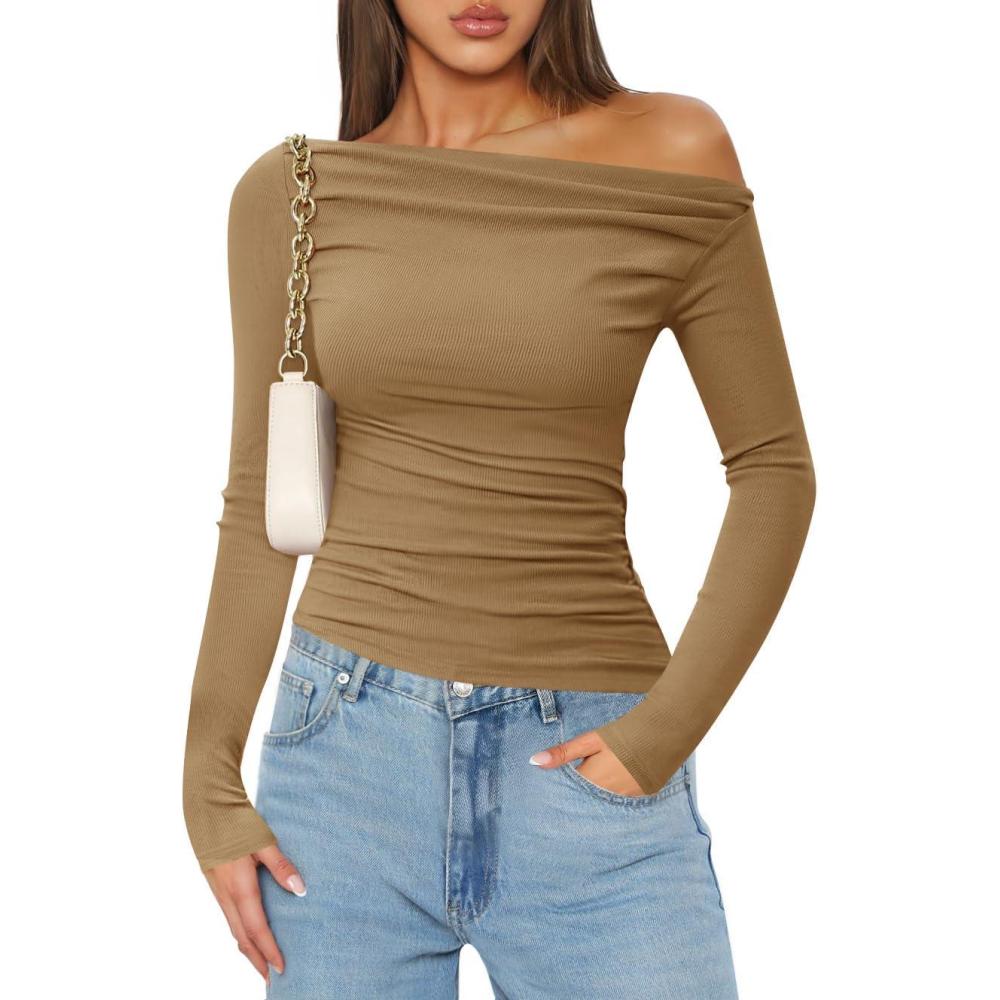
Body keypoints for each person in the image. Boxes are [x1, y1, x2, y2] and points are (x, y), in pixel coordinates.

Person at [182, 1, 817, 996]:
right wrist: (207, 783)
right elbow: (264, 490)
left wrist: (658, 738)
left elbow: (773, 467)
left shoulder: (671, 148)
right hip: (342, 767)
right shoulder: (296, 192)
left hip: (589, 769)